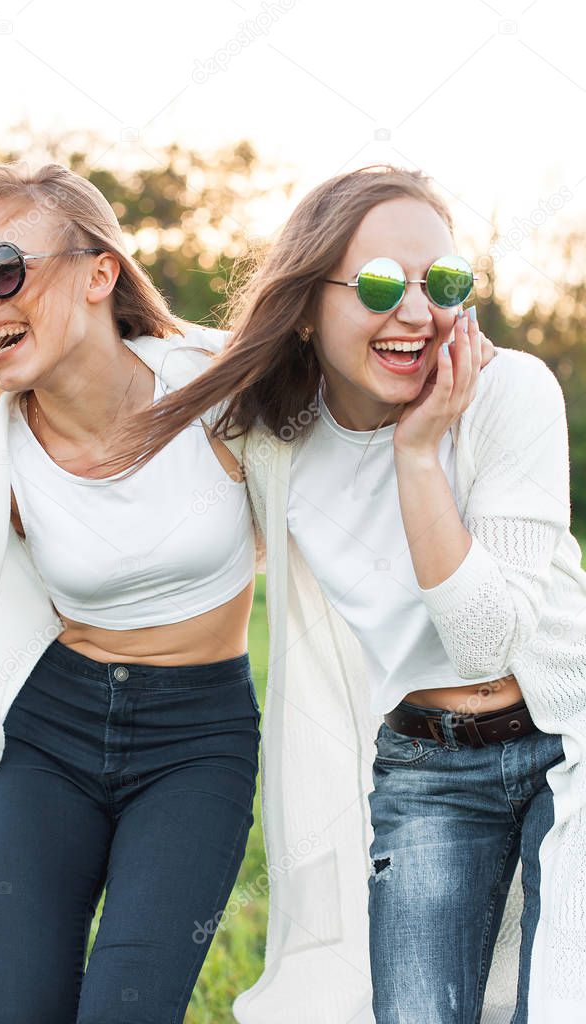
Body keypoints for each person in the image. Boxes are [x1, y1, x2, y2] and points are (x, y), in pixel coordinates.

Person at [101, 165, 586, 1023]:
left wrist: (417, 453)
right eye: (376, 286)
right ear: (307, 305)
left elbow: (487, 640)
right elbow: (138, 369)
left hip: (567, 742)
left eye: (441, 284)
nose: (415, 313)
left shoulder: (510, 395)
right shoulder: (271, 436)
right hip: (425, 770)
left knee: (555, 1000)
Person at [0, 161, 262, 1024]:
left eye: (5, 271)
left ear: (101, 273)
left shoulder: (218, 384)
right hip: (50, 735)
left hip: (198, 742)